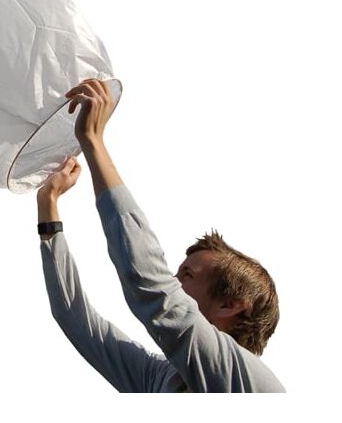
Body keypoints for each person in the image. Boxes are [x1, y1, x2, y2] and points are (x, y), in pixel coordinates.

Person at [36, 78, 285, 393]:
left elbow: (151, 285)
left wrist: (93, 141)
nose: (173, 282)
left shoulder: (248, 384)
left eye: (187, 275)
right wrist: (48, 207)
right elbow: (75, 319)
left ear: (229, 305)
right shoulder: (161, 379)